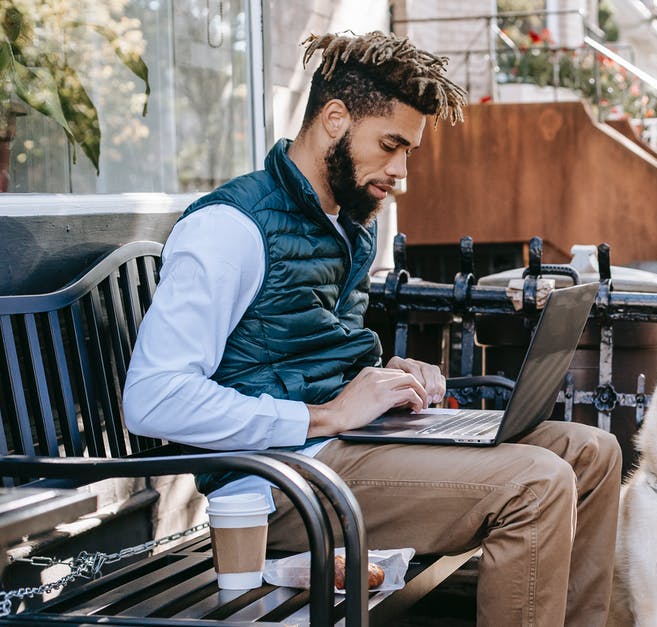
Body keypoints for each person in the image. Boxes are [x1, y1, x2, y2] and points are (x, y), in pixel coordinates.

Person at [124, 31, 621, 626]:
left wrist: (386, 382)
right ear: (335, 119)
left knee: (593, 451)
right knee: (536, 482)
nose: (401, 171)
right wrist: (327, 415)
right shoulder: (232, 228)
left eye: (408, 151)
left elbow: (312, 359)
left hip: (347, 450)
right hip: (279, 486)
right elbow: (152, 398)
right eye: (390, 146)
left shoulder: (348, 226)